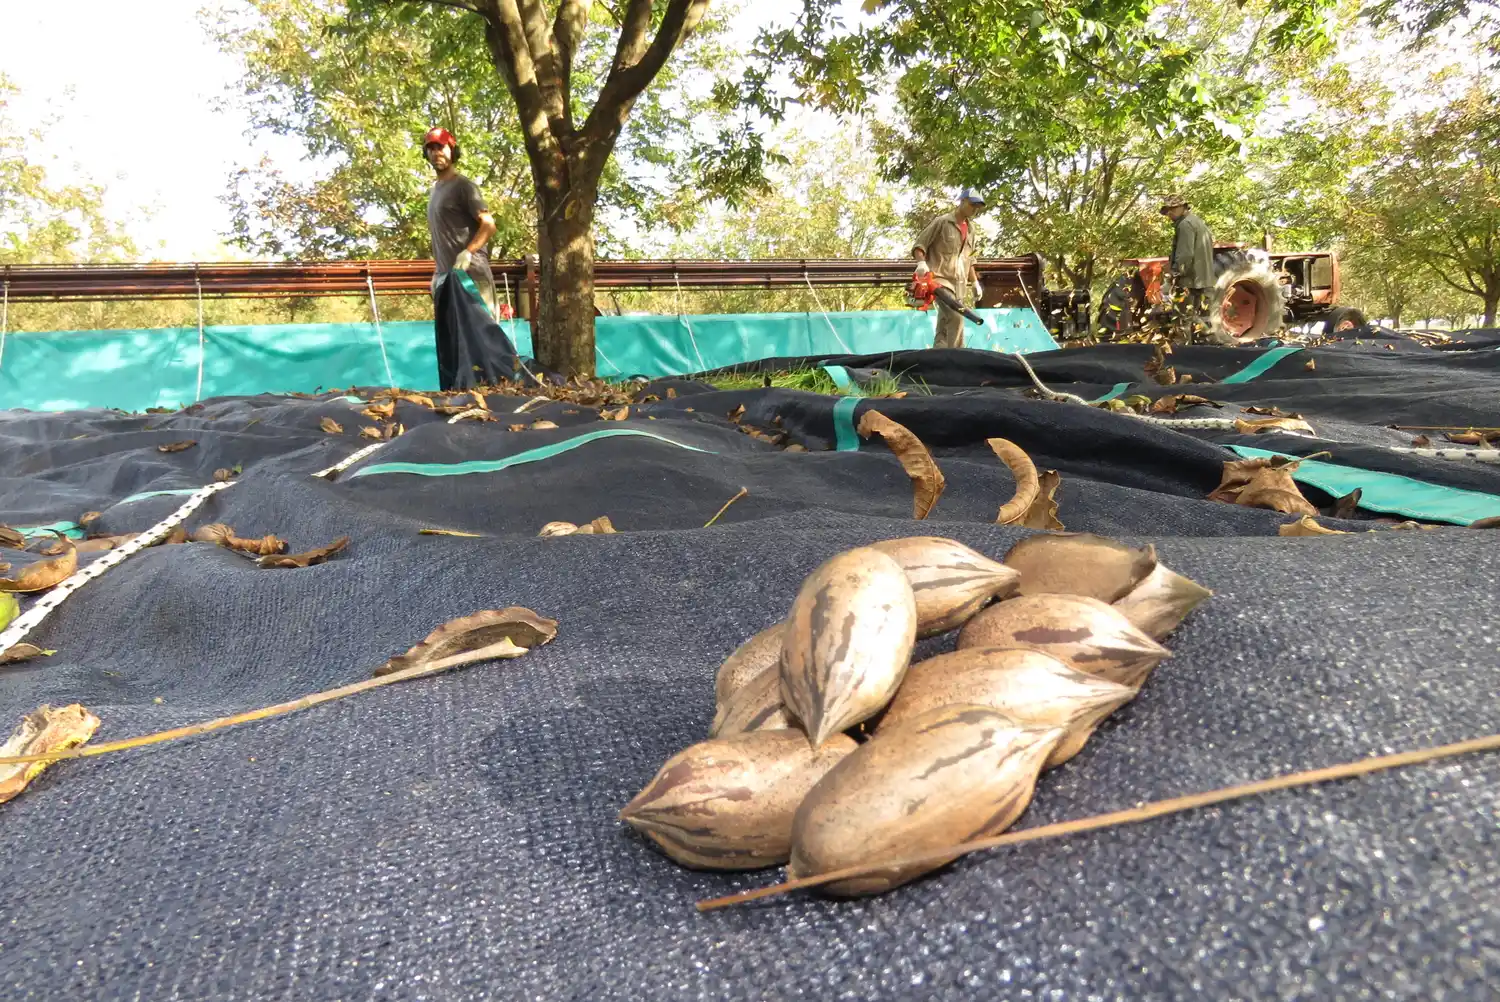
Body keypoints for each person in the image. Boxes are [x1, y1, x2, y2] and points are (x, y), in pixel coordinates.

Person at [423, 127, 499, 315]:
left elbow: (489, 225)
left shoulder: (464, 186)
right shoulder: (434, 191)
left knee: (483, 337)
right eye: (431, 149)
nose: (435, 153)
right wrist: (437, 273)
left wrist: (468, 252)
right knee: (455, 341)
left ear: (452, 150)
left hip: (472, 277)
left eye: (440, 147)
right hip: (446, 279)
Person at [912, 188, 985, 349]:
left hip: (959, 284)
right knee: (957, 316)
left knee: (945, 323)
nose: (974, 210)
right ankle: (959, 358)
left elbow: (970, 259)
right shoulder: (942, 222)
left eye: (977, 207)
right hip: (938, 280)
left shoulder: (972, 230)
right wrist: (921, 263)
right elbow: (919, 245)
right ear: (963, 201)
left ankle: (937, 357)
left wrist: (974, 283)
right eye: (973, 205)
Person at [1159, 194, 1215, 342]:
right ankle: (1213, 340)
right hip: (1202, 278)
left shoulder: (1185, 225)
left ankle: (1182, 353)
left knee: (1181, 318)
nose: (1169, 213)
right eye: (1167, 210)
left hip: (1188, 280)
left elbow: (1185, 254)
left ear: (1183, 207)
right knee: (1194, 315)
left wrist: (1174, 273)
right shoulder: (1198, 222)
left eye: (1173, 209)